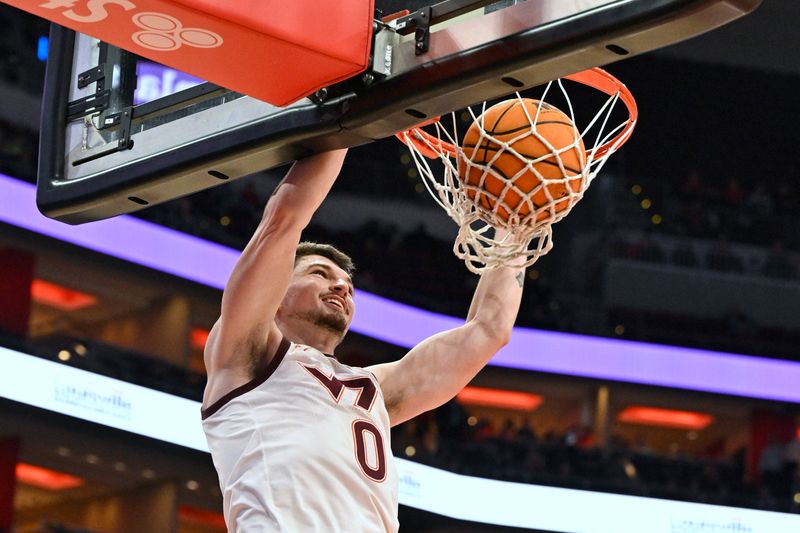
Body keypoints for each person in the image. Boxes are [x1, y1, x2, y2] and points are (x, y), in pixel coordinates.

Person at [200, 149, 525, 532]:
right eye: (320, 273)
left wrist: (516, 229)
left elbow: (489, 331)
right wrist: (349, 126)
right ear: (277, 292)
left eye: (349, 286)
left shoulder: (372, 391)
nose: (341, 286)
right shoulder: (247, 354)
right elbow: (283, 220)